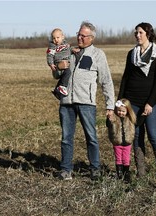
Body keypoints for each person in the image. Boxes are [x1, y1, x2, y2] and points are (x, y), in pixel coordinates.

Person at [55, 21, 115, 181]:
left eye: (83, 35)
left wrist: (110, 105)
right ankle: (65, 170)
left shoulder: (98, 55)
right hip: (66, 102)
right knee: (66, 138)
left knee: (91, 137)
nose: (79, 38)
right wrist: (58, 67)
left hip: (87, 103)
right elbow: (57, 75)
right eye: (78, 34)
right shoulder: (68, 52)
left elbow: (106, 81)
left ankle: (95, 169)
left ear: (91, 38)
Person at [118, 22, 156, 179]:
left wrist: (150, 103)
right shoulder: (131, 54)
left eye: (140, 33)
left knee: (153, 135)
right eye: (136, 33)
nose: (137, 35)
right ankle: (141, 172)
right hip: (132, 102)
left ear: (148, 34)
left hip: (151, 103)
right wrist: (120, 101)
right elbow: (126, 78)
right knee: (137, 136)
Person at [106, 99, 136, 183]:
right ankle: (119, 173)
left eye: (123, 111)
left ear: (127, 111)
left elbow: (137, 123)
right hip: (117, 142)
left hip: (127, 143)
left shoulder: (130, 119)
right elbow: (108, 124)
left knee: (126, 158)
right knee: (118, 158)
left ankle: (126, 173)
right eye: (119, 111)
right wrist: (109, 118)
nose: (121, 113)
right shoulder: (114, 118)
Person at [46, 28, 71, 99]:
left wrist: (73, 50)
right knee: (68, 72)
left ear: (63, 37)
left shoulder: (66, 45)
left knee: (64, 77)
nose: (56, 40)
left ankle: (56, 90)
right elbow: (49, 55)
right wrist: (51, 64)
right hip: (58, 65)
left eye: (58, 37)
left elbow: (69, 51)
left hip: (65, 63)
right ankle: (63, 87)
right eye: (54, 38)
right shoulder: (52, 47)